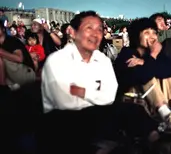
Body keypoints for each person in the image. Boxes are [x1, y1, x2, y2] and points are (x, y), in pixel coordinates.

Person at [38, 11, 158, 153]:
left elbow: (110, 93)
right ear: (73, 32)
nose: (95, 34)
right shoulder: (56, 60)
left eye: (99, 29)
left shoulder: (102, 61)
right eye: (89, 28)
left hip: (98, 111)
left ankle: (158, 144)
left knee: (133, 111)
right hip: (68, 118)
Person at [114, 18, 171, 134]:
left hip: (153, 98)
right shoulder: (127, 54)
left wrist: (146, 61)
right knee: (150, 74)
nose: (152, 36)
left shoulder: (154, 54)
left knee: (166, 74)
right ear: (136, 36)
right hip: (135, 100)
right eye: (146, 33)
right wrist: (152, 57)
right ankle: (166, 116)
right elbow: (141, 77)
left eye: (154, 33)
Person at [0, 22, 35, 90]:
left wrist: (1, 51)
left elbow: (19, 58)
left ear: (3, 29)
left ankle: (3, 85)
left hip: (26, 73)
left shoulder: (12, 40)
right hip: (13, 75)